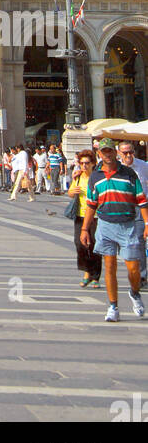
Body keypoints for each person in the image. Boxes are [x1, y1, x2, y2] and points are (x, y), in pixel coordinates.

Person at [81, 136, 148, 321]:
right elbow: (91, 204)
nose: (107, 154)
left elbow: (141, 200)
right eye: (104, 152)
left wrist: (147, 223)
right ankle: (113, 306)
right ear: (99, 154)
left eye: (110, 151)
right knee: (109, 266)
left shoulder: (128, 174)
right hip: (105, 224)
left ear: (115, 152)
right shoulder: (95, 176)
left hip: (128, 224)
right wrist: (85, 229)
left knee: (133, 268)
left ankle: (134, 293)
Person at [68, 148, 102, 288]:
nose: (84, 166)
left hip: (95, 216)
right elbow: (70, 193)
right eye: (82, 163)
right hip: (80, 215)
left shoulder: (98, 177)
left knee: (94, 246)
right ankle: (86, 272)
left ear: (93, 163)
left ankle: (95, 276)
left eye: (87, 163)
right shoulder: (77, 177)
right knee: (80, 244)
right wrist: (72, 191)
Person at [117, 142, 148, 284]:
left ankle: (141, 276)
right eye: (125, 153)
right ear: (119, 153)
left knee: (139, 241)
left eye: (130, 152)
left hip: (141, 208)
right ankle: (133, 271)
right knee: (126, 242)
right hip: (122, 208)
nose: (128, 155)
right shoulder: (116, 168)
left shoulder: (143, 166)